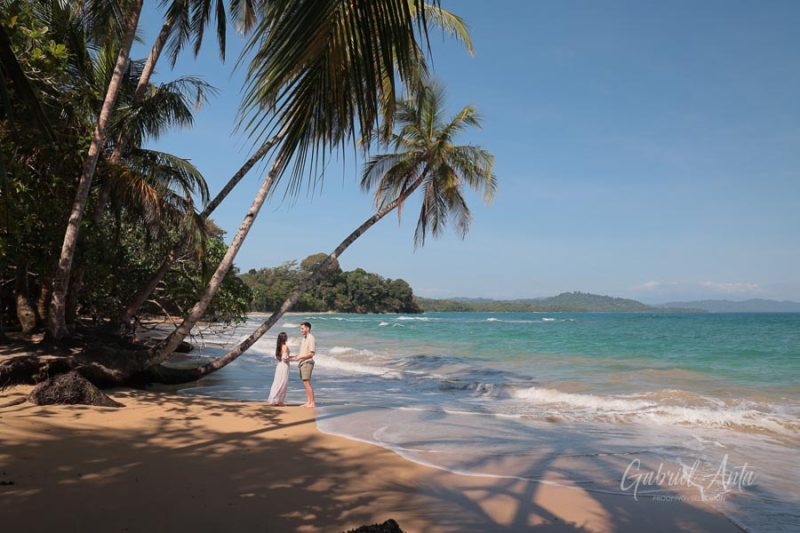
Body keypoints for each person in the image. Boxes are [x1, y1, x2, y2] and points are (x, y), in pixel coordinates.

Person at [296, 321, 316, 407]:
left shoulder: (311, 338)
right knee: (305, 383)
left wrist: (301, 357)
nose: (301, 330)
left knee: (307, 383)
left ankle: (312, 403)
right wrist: (295, 357)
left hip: (307, 362)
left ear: (307, 328)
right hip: (303, 362)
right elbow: (303, 352)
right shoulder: (304, 338)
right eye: (300, 328)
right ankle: (309, 402)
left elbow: (311, 354)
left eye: (302, 328)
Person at [267, 332, 290, 406]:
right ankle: (279, 401)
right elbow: (285, 358)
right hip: (284, 366)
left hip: (279, 365)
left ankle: (274, 399)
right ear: (285, 338)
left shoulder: (278, 347)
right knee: (282, 383)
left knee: (277, 382)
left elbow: (279, 357)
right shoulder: (285, 347)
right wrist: (294, 358)